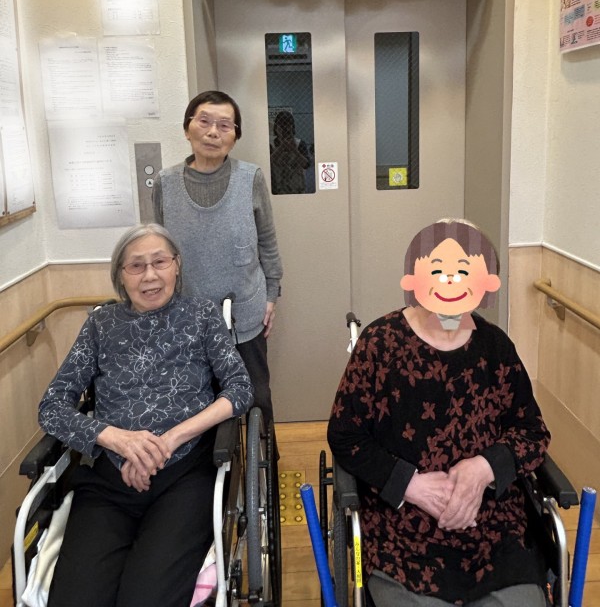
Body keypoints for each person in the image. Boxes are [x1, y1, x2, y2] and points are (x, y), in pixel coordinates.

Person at [327, 219, 551, 607]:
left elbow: (532, 432)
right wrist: (410, 485)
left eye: (465, 270)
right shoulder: (380, 344)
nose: (450, 281)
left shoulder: (495, 347)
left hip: (492, 527)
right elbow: (345, 435)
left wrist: (483, 468)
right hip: (402, 529)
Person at [38, 223, 253, 607]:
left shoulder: (202, 315)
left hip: (184, 476)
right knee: (76, 597)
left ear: (177, 265)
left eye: (160, 262)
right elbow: (51, 407)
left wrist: (170, 440)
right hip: (110, 481)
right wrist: (117, 438)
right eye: (136, 266)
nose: (150, 275)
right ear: (121, 275)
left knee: (147, 598)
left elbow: (239, 389)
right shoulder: (101, 325)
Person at [152, 90, 282, 428]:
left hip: (245, 313)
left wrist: (271, 295)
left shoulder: (250, 178)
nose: (213, 132)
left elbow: (267, 241)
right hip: (187, 317)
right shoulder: (165, 183)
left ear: (235, 136)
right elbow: (157, 252)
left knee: (257, 399)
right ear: (187, 129)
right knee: (199, 406)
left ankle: (265, 459)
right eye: (204, 122)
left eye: (225, 125)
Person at [270, 110, 311, 194]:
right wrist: (281, 147)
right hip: (278, 189)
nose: (285, 129)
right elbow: (267, 163)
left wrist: (294, 150)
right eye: (282, 126)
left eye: (287, 126)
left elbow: (306, 165)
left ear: (292, 127)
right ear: (276, 127)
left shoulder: (299, 144)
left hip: (297, 190)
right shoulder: (271, 144)